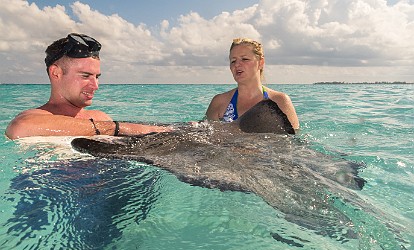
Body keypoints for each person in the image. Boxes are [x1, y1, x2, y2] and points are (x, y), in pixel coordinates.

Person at [5, 33, 169, 140]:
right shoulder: (31, 118)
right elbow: (20, 128)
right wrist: (121, 127)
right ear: (56, 73)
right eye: (85, 76)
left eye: (96, 77)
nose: (95, 85)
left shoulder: (101, 117)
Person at [205, 38, 299, 131]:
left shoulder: (280, 101)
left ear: (260, 62)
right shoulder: (219, 102)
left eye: (244, 59)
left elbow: (293, 142)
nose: (237, 64)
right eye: (233, 61)